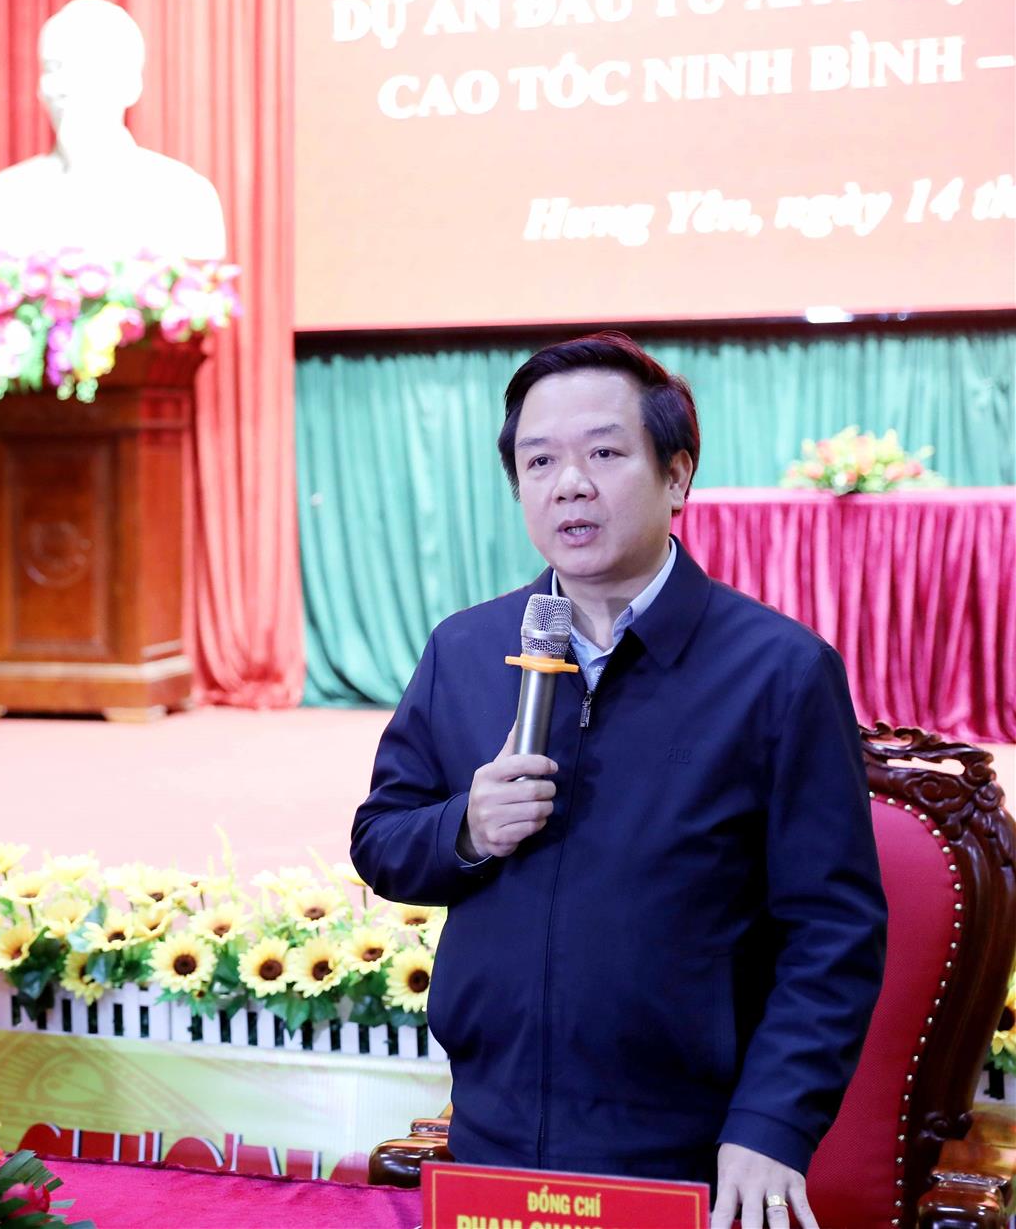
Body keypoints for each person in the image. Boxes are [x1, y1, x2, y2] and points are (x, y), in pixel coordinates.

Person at [348, 333, 885, 1229]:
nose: (570, 484)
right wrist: (467, 827)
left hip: (689, 1150)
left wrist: (772, 1124)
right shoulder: (465, 649)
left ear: (677, 476)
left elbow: (833, 930)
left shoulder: (778, 672)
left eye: (603, 453)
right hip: (492, 1135)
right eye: (539, 460)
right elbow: (381, 839)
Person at [0, 0, 225, 260]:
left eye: (86, 65)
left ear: (131, 83)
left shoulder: (183, 195)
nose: (64, 86)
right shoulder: (0, 200)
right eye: (52, 68)